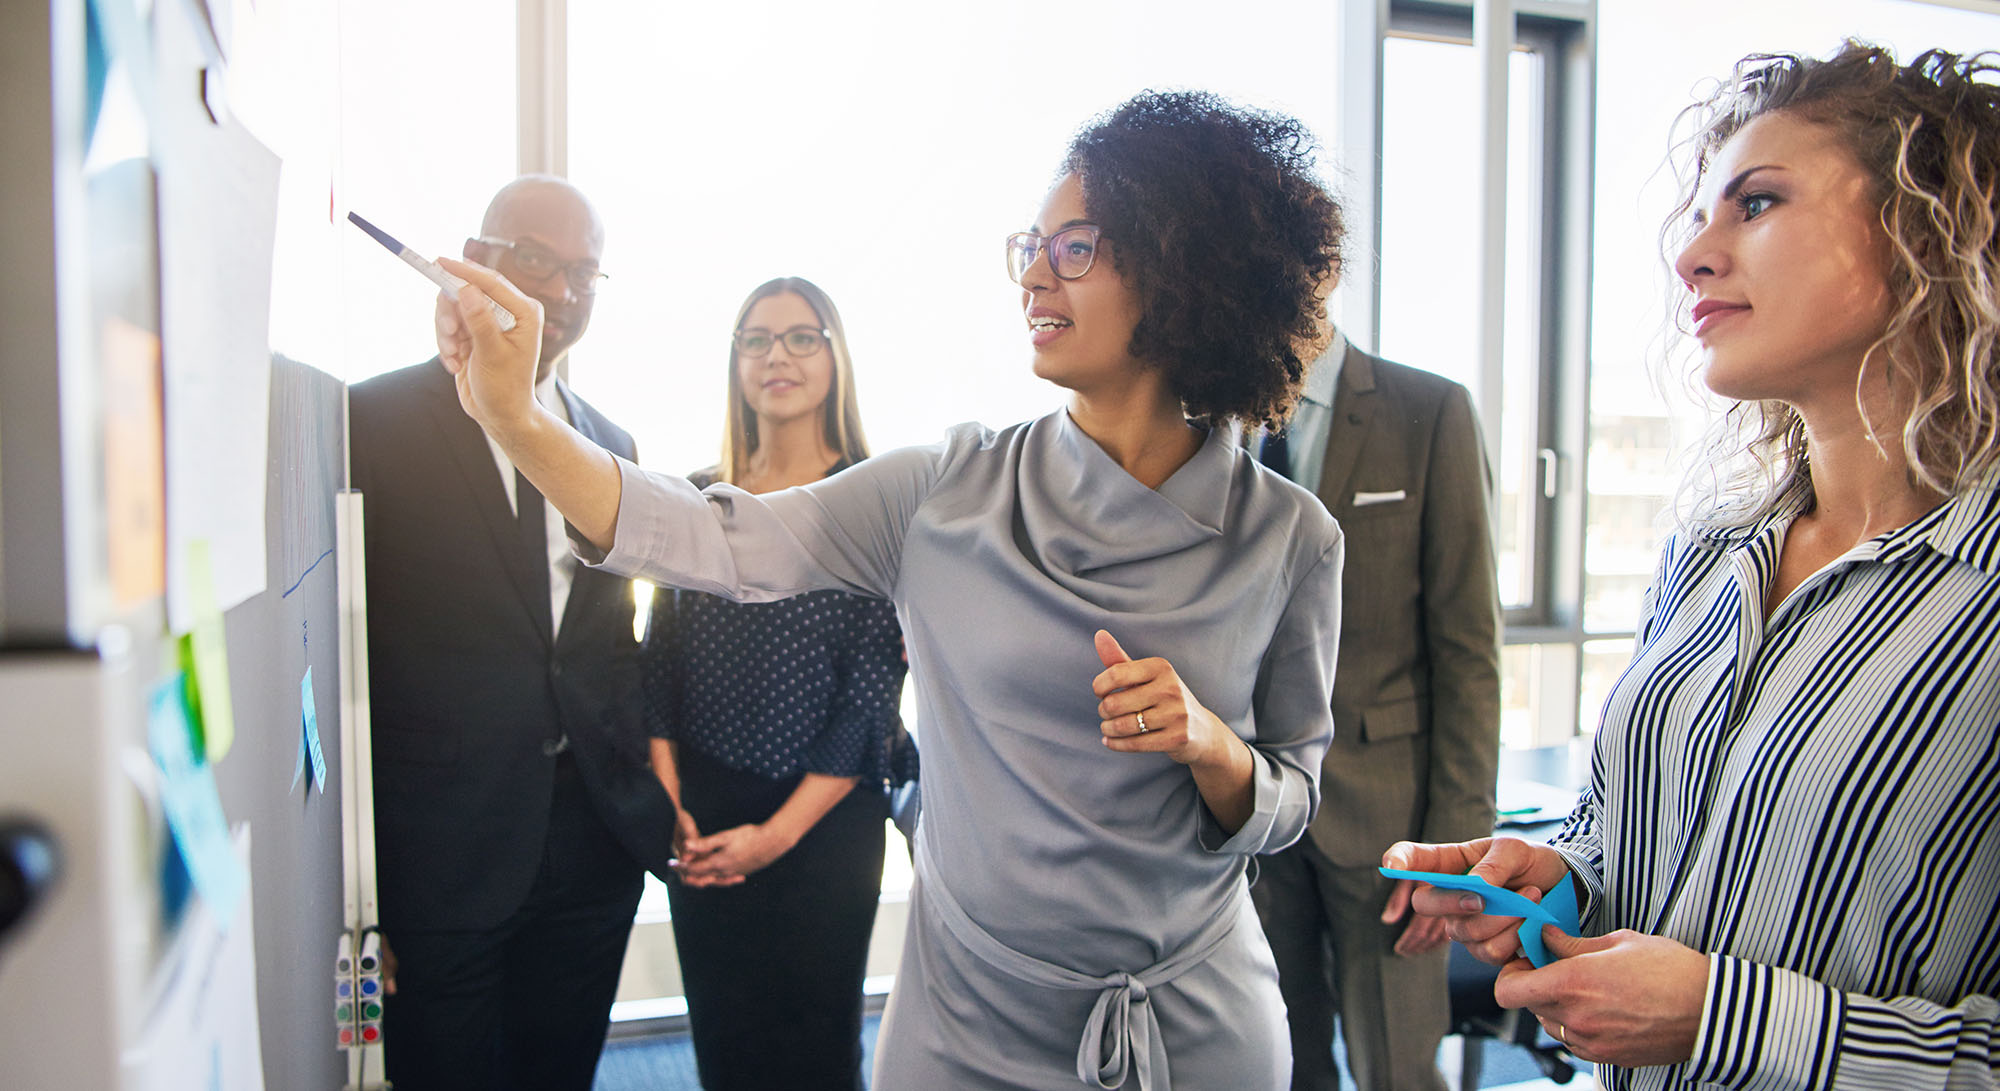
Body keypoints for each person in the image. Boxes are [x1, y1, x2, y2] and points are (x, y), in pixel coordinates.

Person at [433, 90, 1346, 1090]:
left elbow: (1289, 798)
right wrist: (517, 420)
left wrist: (1209, 742)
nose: (1034, 276)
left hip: (1191, 1026)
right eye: (1029, 248)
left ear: (1181, 267)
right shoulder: (941, 490)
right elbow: (705, 535)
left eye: (1073, 249)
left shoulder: (1290, 538)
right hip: (965, 1019)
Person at [1387, 41, 2000, 1090]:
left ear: (1924, 229)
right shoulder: (1707, 549)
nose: (1692, 257)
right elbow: (1628, 838)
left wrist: (1728, 1016)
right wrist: (1561, 883)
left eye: (1754, 204)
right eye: (1701, 216)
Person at [348, 175, 676, 1091]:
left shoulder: (613, 446)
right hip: (443, 852)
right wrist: (370, 886)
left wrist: (645, 786)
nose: (564, 293)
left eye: (585, 273)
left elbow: (610, 641)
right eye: (540, 261)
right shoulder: (371, 421)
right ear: (479, 259)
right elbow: (352, 661)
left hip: (593, 844)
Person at [640, 276, 909, 1090]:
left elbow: (870, 697)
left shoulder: (875, 500)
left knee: (818, 1048)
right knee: (725, 1042)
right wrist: (670, 805)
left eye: (801, 336)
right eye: (755, 339)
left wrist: (777, 837)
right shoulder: (697, 496)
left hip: (824, 822)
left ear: (835, 356)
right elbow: (658, 659)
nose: (776, 356)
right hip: (702, 811)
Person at [1248, 325, 1501, 1091]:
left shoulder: (1429, 410)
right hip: (1252, 813)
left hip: (1389, 823)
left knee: (1397, 1069)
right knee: (1279, 1063)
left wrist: (1452, 852)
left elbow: (1469, 652)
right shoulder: (1215, 420)